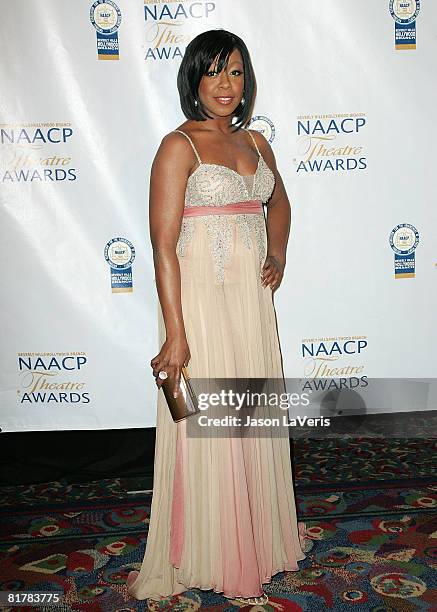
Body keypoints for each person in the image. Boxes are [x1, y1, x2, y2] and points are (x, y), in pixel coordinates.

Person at [127, 28, 311, 607]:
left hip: (250, 307)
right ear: (194, 80)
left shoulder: (258, 142)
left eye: (234, 71)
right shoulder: (178, 145)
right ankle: (212, 552)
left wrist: (276, 253)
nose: (225, 84)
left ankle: (256, 541)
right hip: (201, 307)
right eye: (213, 72)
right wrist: (176, 334)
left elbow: (277, 200)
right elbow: (161, 245)